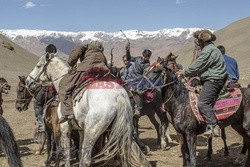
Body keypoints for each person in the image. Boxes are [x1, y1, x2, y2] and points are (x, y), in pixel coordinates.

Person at [177, 30, 227, 137]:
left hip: (213, 79)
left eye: (198, 40)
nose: (197, 42)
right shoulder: (210, 49)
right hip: (210, 77)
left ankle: (213, 126)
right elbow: (205, 67)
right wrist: (198, 77)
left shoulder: (208, 51)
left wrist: (185, 72)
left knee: (202, 102)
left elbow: (199, 64)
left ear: (203, 41)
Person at [58, 40, 108, 123]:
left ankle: (67, 112)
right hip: (103, 71)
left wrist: (71, 63)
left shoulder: (83, 47)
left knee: (64, 85)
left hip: (87, 68)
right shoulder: (101, 53)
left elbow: (72, 58)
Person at [34, 44, 57, 132]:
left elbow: (42, 75)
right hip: (59, 87)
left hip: (47, 87)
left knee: (37, 103)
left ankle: (41, 123)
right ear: (55, 51)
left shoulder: (44, 60)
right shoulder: (60, 60)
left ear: (46, 51)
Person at [125, 42, 151, 118]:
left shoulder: (147, 64)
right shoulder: (138, 58)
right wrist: (127, 50)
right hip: (131, 78)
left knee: (139, 91)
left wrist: (134, 79)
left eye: (148, 57)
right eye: (146, 57)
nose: (147, 58)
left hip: (140, 80)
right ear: (143, 55)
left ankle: (138, 108)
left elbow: (144, 75)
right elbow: (129, 58)